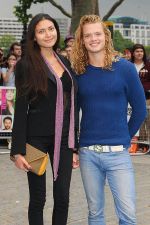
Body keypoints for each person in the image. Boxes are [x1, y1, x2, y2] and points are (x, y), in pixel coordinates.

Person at [71, 15, 147, 225]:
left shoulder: (125, 68)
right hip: (88, 155)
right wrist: (75, 147)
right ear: (82, 40)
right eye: (88, 35)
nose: (93, 38)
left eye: (97, 33)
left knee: (128, 216)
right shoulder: (79, 72)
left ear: (105, 36)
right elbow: (72, 114)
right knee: (95, 214)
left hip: (118, 155)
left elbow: (140, 110)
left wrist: (124, 138)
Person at [10, 13, 79, 225]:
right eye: (41, 31)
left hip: (64, 139)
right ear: (34, 37)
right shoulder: (26, 65)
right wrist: (18, 150)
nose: (48, 34)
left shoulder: (66, 62)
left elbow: (72, 106)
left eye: (51, 29)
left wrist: (75, 146)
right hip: (35, 140)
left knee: (63, 197)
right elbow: (21, 108)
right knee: (38, 198)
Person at [131, 44, 150, 153]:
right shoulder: (129, 65)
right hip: (132, 99)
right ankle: (142, 145)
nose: (139, 53)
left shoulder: (148, 65)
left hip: (147, 98)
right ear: (133, 53)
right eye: (137, 51)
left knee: (148, 121)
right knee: (140, 122)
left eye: (141, 51)